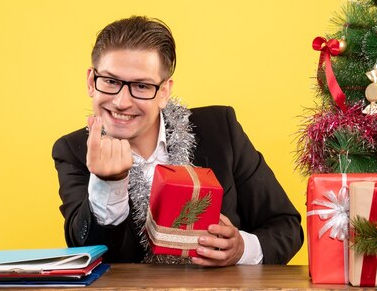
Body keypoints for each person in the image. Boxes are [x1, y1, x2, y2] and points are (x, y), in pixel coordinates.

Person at [52, 16, 303, 266]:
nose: (121, 101)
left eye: (141, 86)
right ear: (90, 82)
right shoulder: (72, 151)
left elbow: (286, 226)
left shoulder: (220, 129)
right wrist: (108, 184)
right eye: (110, 81)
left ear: (164, 92)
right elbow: (87, 254)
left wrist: (242, 249)